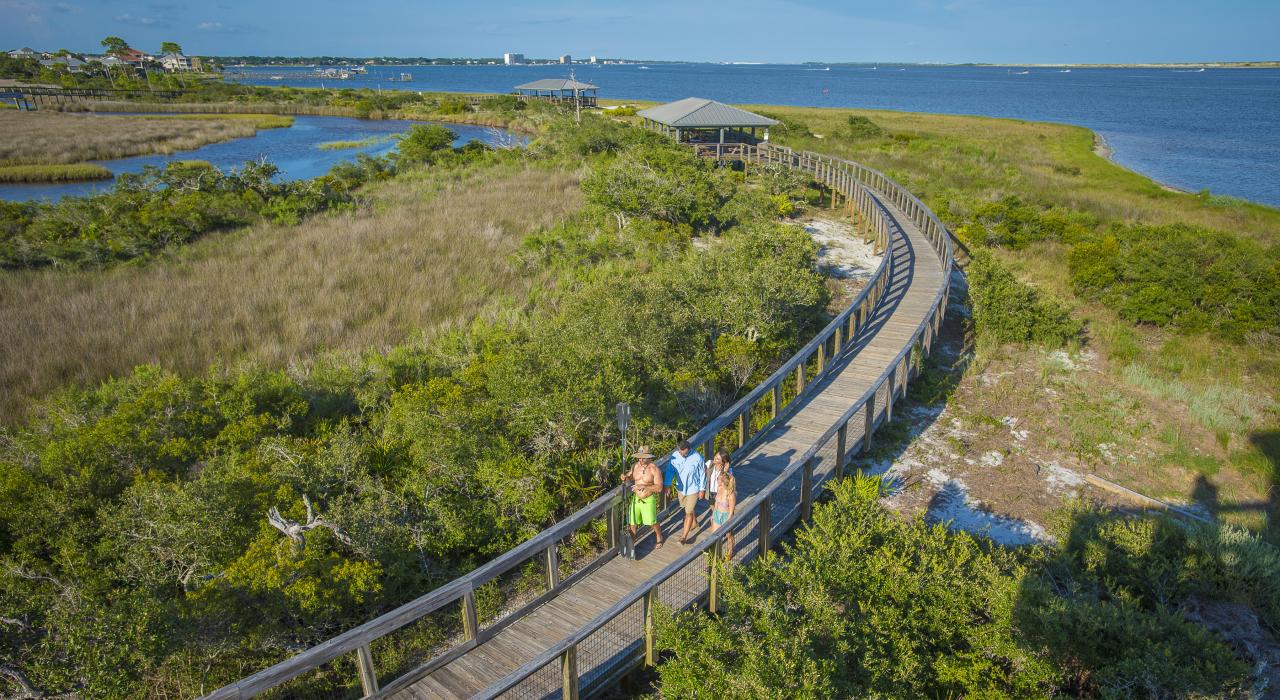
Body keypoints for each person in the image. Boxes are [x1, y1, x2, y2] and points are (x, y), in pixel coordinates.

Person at [621, 446, 664, 554]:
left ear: (649, 457)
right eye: (639, 457)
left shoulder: (654, 469)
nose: (640, 460)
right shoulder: (635, 466)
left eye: (643, 458)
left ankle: (659, 536)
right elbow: (630, 478)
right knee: (633, 523)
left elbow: (659, 488)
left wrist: (644, 487)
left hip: (648, 499)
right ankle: (632, 545)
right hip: (636, 499)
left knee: (652, 522)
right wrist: (625, 477)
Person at [669, 439, 706, 545]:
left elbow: (702, 473)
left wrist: (702, 489)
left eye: (683, 452)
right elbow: (670, 470)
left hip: (693, 488)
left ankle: (683, 537)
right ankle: (694, 523)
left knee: (688, 512)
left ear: (688, 449)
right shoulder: (675, 455)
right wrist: (667, 484)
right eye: (679, 451)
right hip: (681, 488)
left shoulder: (697, 457)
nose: (680, 453)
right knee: (687, 508)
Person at [708, 449, 736, 559]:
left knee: (729, 535)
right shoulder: (718, 490)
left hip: (726, 516)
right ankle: (714, 556)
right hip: (717, 513)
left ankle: (730, 551)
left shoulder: (731, 494)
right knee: (713, 535)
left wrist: (728, 521)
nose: (717, 480)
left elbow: (731, 510)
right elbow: (715, 503)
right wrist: (713, 515)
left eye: (719, 479)